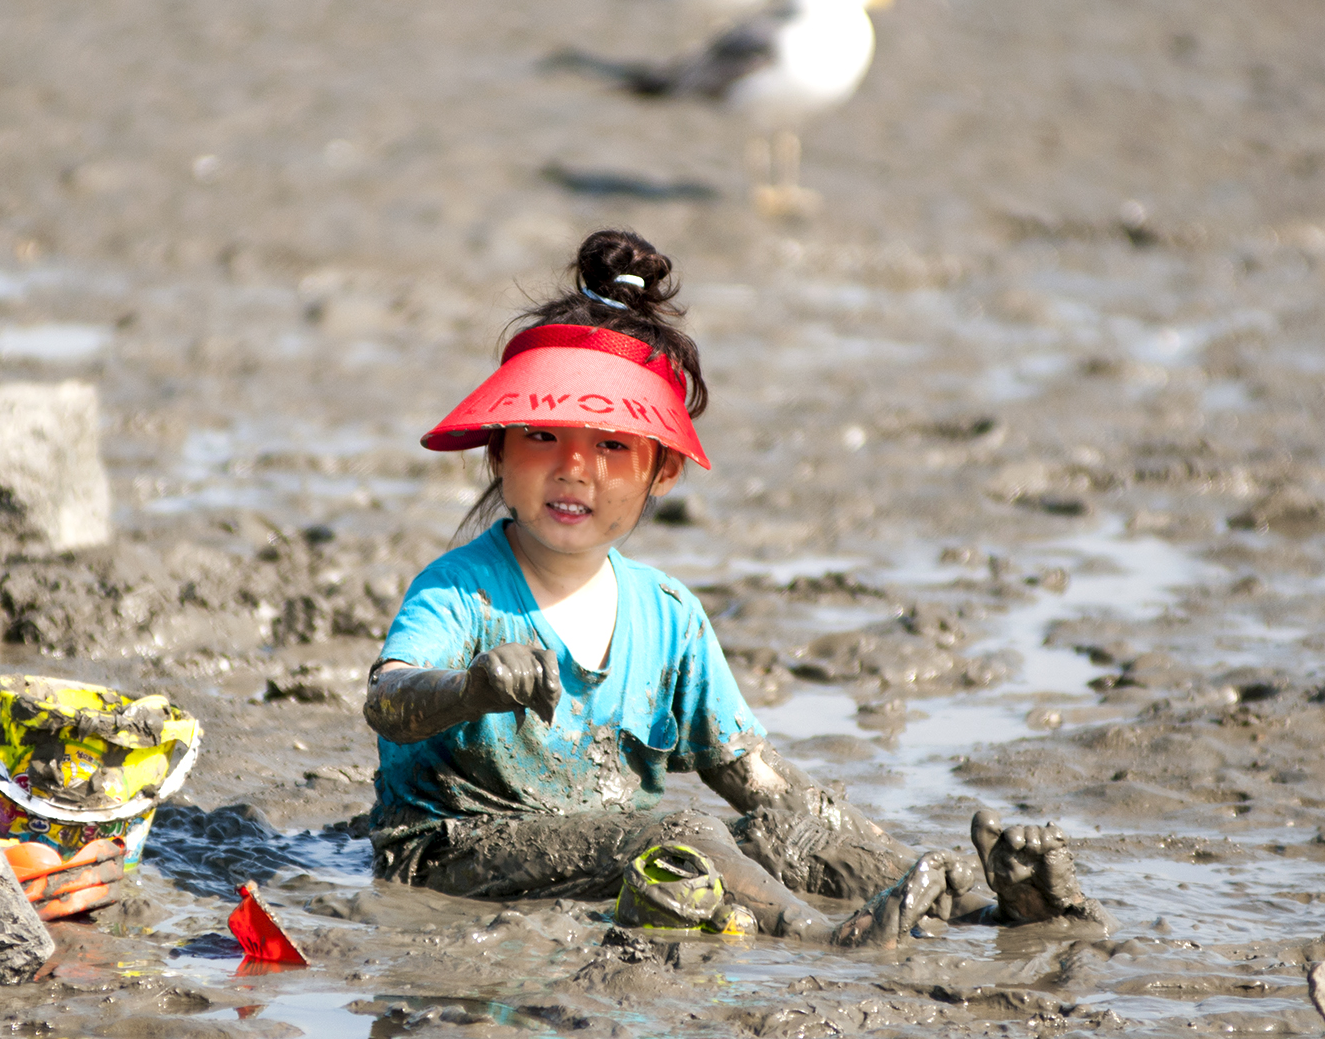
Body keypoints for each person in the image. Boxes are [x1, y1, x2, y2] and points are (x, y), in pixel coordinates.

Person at [363, 228, 1108, 945]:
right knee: (679, 834)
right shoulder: (461, 590)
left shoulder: (669, 617)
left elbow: (762, 782)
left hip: (604, 846)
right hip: (454, 852)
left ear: (663, 469)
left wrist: (875, 851)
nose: (574, 468)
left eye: (612, 444)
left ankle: (987, 909)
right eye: (542, 436)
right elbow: (387, 701)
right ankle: (826, 937)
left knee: (787, 829)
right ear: (498, 449)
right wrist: (468, 688)